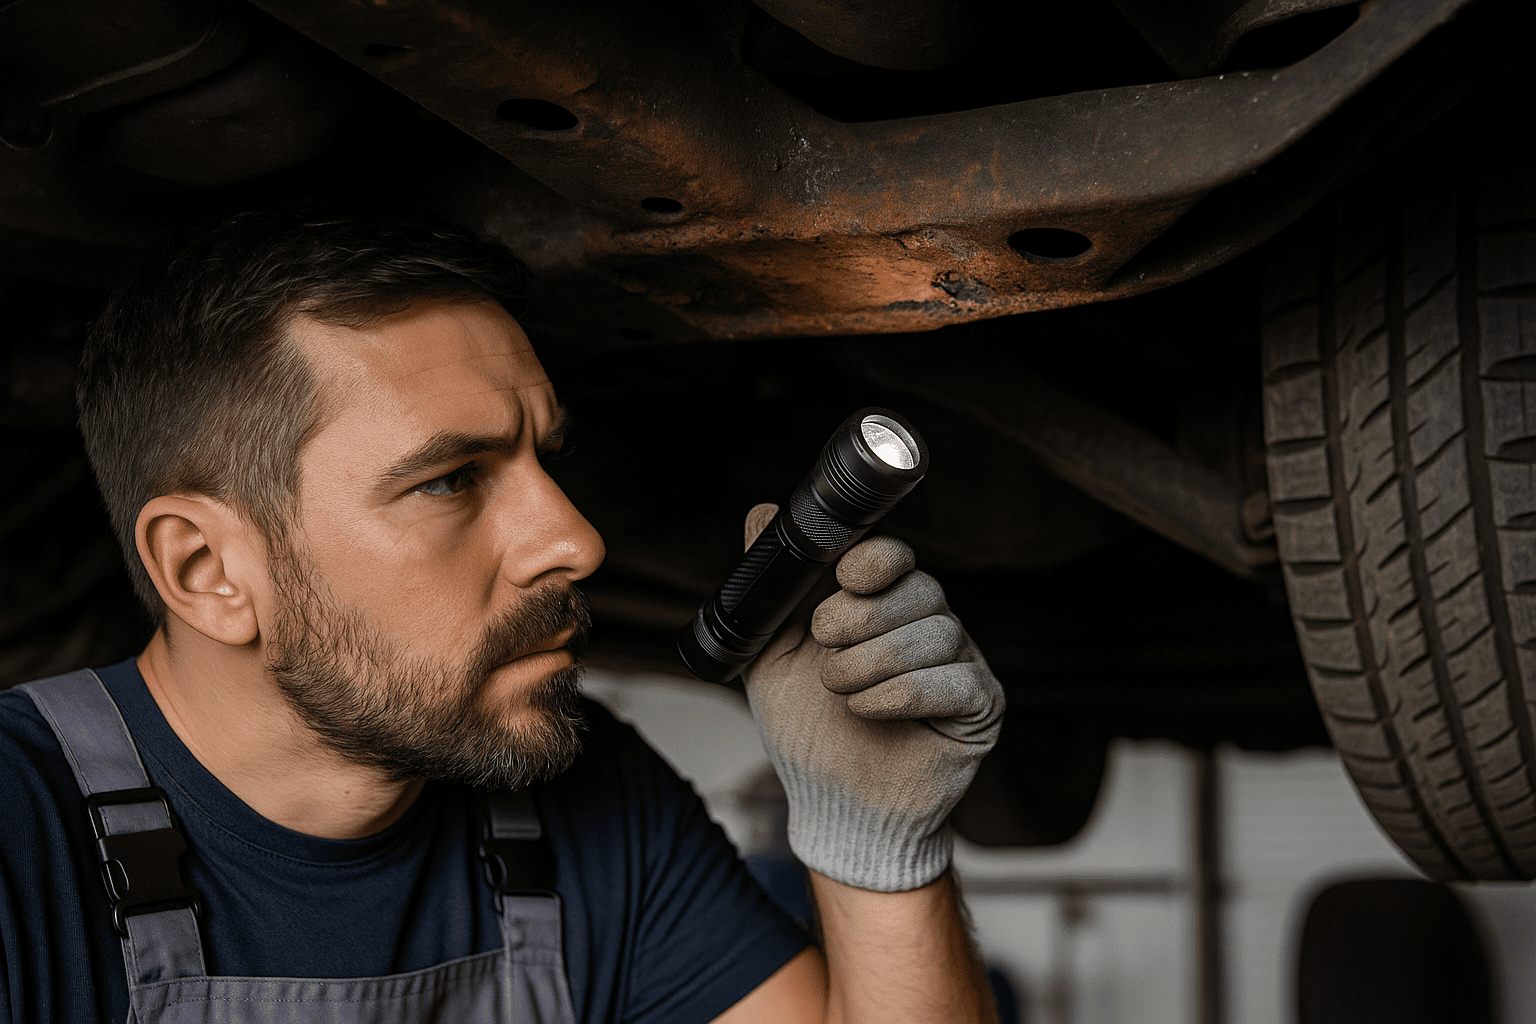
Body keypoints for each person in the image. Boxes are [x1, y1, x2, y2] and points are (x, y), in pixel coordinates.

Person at [0, 203, 1005, 1023]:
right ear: (208, 568)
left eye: (545, 456)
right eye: (448, 480)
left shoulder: (591, 805)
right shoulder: (16, 831)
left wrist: (876, 848)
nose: (575, 539)